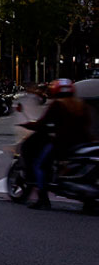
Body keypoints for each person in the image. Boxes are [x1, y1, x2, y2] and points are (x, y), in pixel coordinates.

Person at [21, 78, 94, 209]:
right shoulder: (80, 104)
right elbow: (87, 124)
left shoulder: (57, 105)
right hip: (83, 143)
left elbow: (43, 123)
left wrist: (29, 125)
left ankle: (42, 198)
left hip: (62, 144)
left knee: (40, 165)